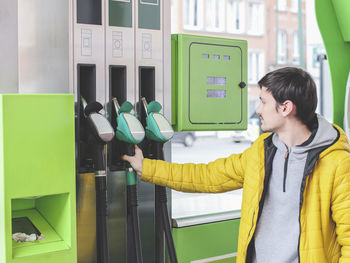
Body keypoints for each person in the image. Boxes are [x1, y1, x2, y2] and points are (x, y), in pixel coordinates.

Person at [122, 67, 350, 263]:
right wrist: (147, 168)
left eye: (263, 102)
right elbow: (209, 176)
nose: (258, 110)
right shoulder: (262, 151)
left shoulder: (336, 163)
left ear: (285, 108)